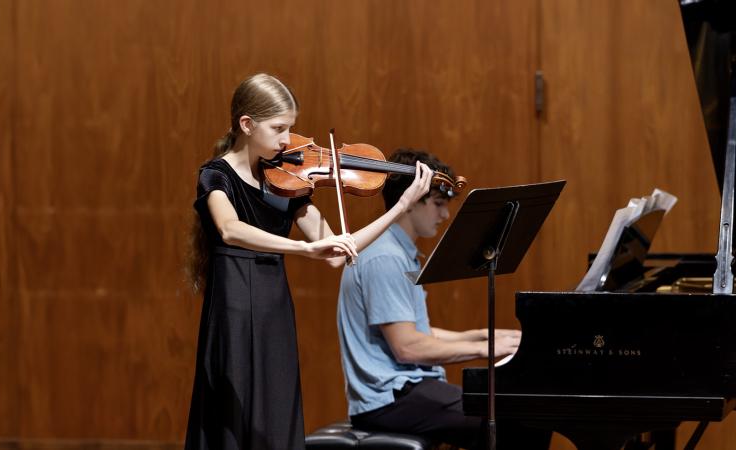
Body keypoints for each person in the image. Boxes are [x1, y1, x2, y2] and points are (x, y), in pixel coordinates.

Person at [184, 73, 435, 450]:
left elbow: (336, 251)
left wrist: (400, 207)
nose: (287, 140)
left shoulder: (284, 179)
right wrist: (301, 250)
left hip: (274, 309)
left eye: (291, 128)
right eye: (278, 128)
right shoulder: (215, 176)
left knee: (276, 413)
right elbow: (230, 230)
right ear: (247, 125)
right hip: (233, 307)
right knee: (234, 418)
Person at [337, 149, 551, 449]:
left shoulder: (398, 252)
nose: (445, 215)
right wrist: (484, 348)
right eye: (438, 204)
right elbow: (407, 347)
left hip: (408, 391)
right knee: (516, 420)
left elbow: (416, 333)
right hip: (390, 400)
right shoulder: (385, 257)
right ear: (411, 202)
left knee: (523, 414)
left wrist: (483, 335)